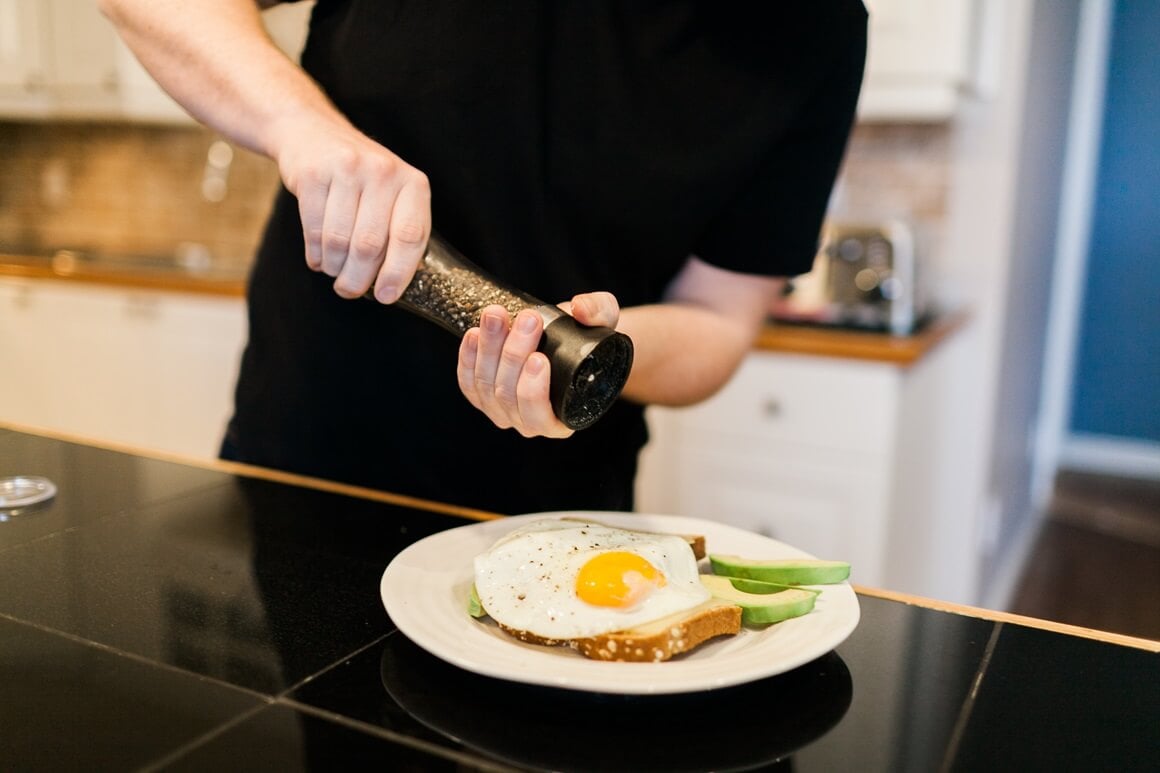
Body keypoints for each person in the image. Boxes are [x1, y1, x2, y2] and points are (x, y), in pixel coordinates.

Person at [100, 0, 867, 514]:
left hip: (564, 494)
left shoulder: (816, 32)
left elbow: (721, 320)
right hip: (316, 454)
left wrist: (600, 349)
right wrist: (305, 129)